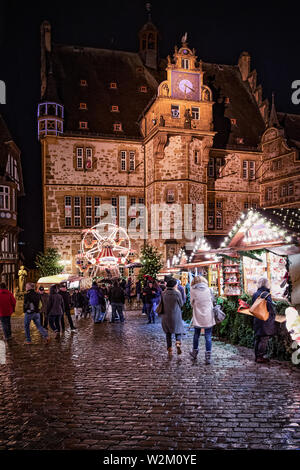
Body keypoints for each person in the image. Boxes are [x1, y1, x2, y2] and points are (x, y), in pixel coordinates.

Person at [189, 276, 216, 364]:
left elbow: (191, 303)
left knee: (196, 334)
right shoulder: (209, 289)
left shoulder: (193, 290)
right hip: (208, 314)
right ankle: (208, 357)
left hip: (198, 314)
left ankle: (195, 352)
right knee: (208, 335)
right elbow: (212, 300)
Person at [252, 277, 276, 364]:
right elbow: (270, 308)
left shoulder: (255, 294)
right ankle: (260, 356)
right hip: (264, 319)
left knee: (258, 337)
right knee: (264, 338)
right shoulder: (266, 294)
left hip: (257, 318)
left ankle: (257, 356)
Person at [159, 278, 184, 356]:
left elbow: (161, 303)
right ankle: (178, 342)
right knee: (178, 329)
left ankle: (169, 349)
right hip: (176, 314)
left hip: (166, 315)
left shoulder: (163, 293)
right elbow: (181, 304)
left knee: (168, 333)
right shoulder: (177, 293)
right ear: (174, 285)